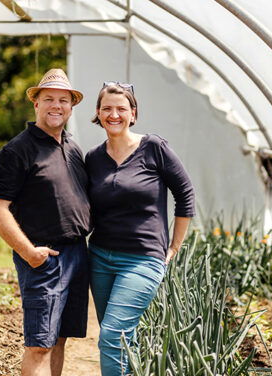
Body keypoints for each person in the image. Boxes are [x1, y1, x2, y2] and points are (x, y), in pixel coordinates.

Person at [0, 69, 91, 376]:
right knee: (40, 344)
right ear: (36, 104)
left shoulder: (71, 147)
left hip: (76, 254)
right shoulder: (17, 151)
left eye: (63, 100)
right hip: (44, 258)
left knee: (59, 338)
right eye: (49, 99)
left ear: (71, 107)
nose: (56, 106)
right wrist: (30, 253)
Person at [85, 82, 195, 375]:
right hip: (100, 258)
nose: (114, 114)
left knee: (112, 336)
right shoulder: (93, 159)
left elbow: (185, 195)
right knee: (123, 340)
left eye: (121, 109)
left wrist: (173, 247)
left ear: (133, 114)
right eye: (107, 108)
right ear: (98, 113)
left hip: (143, 259)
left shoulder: (154, 148)